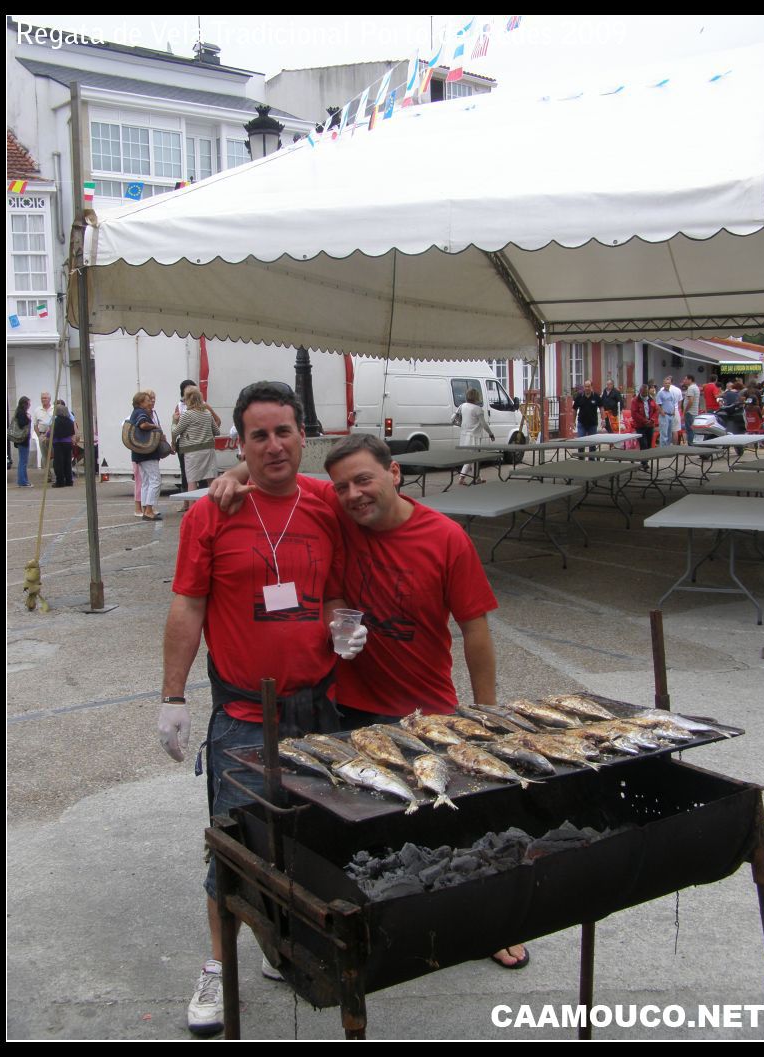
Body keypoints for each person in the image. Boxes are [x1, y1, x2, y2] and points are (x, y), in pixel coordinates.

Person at [209, 432, 530, 973]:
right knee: (359, 825)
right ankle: (370, 920)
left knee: (456, 821)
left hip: (429, 707)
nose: (353, 494)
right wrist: (234, 474)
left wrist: (486, 714)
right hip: (348, 711)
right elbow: (275, 471)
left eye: (364, 480)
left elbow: (475, 629)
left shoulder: (445, 537)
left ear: (394, 473)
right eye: (342, 487)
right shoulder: (339, 519)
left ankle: (488, 924)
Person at [157, 383, 361, 1037]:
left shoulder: (329, 502)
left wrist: (342, 624)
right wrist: (171, 696)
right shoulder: (210, 514)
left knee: (307, 840)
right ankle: (220, 969)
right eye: (258, 436)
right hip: (245, 714)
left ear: (304, 435)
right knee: (235, 846)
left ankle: (283, 943)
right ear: (237, 444)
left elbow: (332, 589)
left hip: (318, 707)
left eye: (283, 431)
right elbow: (188, 605)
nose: (273, 445)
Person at [171, 386, 220, 506]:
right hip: (208, 450)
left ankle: (192, 509)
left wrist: (174, 421)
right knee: (211, 479)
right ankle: (213, 506)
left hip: (192, 451)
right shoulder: (207, 413)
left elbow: (176, 431)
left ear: (188, 400)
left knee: (192, 481)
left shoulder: (187, 415)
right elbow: (217, 432)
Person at [129, 391, 165, 521]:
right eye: (148, 400)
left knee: (145, 482)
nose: (151, 402)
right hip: (147, 453)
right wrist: (155, 426)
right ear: (141, 403)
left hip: (139, 453)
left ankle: (145, 509)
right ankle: (149, 509)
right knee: (155, 480)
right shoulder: (141, 413)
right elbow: (143, 424)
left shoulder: (136, 412)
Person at [452, 386, 494, 484]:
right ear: (476, 397)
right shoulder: (478, 409)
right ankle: (461, 478)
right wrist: (491, 434)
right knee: (471, 458)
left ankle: (477, 477)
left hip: (464, 435)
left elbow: (454, 417)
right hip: (474, 437)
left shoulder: (462, 406)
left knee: (474, 459)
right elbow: (484, 424)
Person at [629, 385, 657, 470]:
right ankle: (644, 462)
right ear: (640, 392)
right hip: (640, 426)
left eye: (646, 392)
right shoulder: (635, 401)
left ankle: (646, 460)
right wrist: (645, 421)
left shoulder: (651, 400)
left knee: (648, 444)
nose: (645, 394)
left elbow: (656, 410)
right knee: (643, 443)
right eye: (643, 392)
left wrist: (652, 420)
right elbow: (634, 414)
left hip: (650, 425)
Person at [572, 379, 602, 456]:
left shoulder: (596, 396)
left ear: (591, 387)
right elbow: (574, 409)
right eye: (585, 386)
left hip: (593, 424)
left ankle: (591, 461)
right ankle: (581, 459)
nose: (587, 388)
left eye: (588, 386)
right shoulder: (579, 397)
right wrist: (573, 422)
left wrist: (603, 420)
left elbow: (601, 408)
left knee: (592, 444)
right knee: (581, 443)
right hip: (582, 423)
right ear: (584, 387)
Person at [49, 404, 76, 487]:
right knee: (67, 462)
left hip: (58, 443)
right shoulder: (70, 421)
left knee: (58, 463)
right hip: (68, 443)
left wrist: (46, 436)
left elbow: (52, 431)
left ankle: (60, 481)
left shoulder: (56, 421)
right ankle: (69, 480)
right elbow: (72, 432)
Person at [10, 396, 33, 488]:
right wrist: (28, 418)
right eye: (29, 403)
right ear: (25, 404)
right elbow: (22, 423)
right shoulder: (21, 413)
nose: (30, 405)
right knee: (23, 461)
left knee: (23, 461)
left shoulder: (19, 412)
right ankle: (22, 481)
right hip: (22, 440)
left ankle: (24, 480)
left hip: (22, 440)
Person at [33, 391, 54, 481]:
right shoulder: (37, 410)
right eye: (42, 398)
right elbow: (35, 425)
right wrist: (39, 436)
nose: (43, 400)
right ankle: (48, 475)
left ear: (49, 399)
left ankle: (58, 473)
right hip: (42, 434)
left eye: (45, 398)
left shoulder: (54, 409)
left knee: (55, 455)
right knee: (45, 457)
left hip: (53, 436)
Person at [655, 377, 677, 447]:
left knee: (669, 434)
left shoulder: (671, 393)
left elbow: (673, 403)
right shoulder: (660, 393)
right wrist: (662, 412)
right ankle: (663, 449)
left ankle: (668, 449)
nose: (667, 384)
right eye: (666, 383)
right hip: (664, 415)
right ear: (663, 384)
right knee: (664, 434)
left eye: (669, 383)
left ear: (670, 384)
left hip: (671, 415)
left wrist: (673, 411)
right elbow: (658, 404)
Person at [682, 374, 701, 447]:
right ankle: (694, 445)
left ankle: (691, 445)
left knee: (689, 430)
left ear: (690, 380)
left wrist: (685, 410)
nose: (684, 381)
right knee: (693, 429)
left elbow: (691, 401)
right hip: (694, 411)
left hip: (690, 412)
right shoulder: (696, 387)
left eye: (685, 379)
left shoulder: (691, 388)